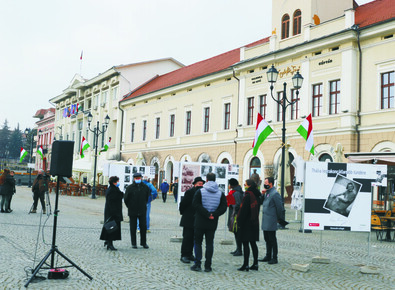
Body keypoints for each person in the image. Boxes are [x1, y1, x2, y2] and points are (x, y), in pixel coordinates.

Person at [191, 172, 227, 272]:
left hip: (200, 221)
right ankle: (208, 265)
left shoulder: (200, 191)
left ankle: (197, 264)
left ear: (206, 180)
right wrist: (214, 214)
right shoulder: (220, 193)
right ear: (215, 180)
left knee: (198, 242)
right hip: (212, 222)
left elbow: (195, 204)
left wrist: (206, 213)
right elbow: (224, 207)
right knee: (209, 243)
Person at [236, 179, 261, 271]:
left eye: (245, 184)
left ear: (249, 185)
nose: (244, 186)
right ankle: (255, 263)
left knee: (245, 243)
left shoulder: (248, 195)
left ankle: (246, 264)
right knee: (253, 244)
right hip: (254, 222)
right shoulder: (257, 195)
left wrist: (239, 221)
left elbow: (244, 211)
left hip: (247, 222)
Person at [179, 176, 205, 264]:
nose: (200, 185)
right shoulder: (189, 192)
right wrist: (183, 213)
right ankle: (184, 255)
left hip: (197, 219)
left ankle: (190, 254)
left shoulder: (202, 192)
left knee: (194, 237)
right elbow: (183, 204)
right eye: (199, 184)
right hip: (188, 218)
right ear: (194, 184)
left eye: (202, 184)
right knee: (187, 237)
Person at [259, 177, 283, 265]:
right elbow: (261, 202)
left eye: (266, 183)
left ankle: (274, 257)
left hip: (271, 220)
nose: (265, 185)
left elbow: (279, 208)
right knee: (267, 239)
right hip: (266, 219)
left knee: (272, 239)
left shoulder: (275, 193)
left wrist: (278, 218)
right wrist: (262, 194)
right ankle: (268, 255)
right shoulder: (267, 193)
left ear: (271, 184)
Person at [124, 172, 151, 249]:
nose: (138, 179)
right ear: (134, 179)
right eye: (136, 178)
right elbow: (126, 199)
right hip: (132, 210)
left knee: (143, 227)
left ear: (141, 178)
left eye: (139, 178)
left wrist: (143, 204)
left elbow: (147, 197)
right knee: (133, 227)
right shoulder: (130, 188)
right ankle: (134, 243)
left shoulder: (145, 187)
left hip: (142, 210)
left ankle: (143, 242)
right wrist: (130, 206)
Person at [100, 176, 123, 251]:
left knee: (111, 227)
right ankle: (110, 243)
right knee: (112, 228)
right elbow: (112, 201)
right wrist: (114, 213)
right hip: (112, 212)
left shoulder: (113, 189)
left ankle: (108, 241)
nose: (118, 183)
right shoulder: (112, 190)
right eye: (117, 181)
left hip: (112, 212)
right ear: (114, 182)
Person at [227, 178, 243, 256]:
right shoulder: (234, 192)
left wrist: (230, 205)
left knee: (238, 233)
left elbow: (237, 204)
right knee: (236, 233)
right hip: (233, 214)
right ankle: (238, 248)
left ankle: (239, 249)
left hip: (236, 215)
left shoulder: (236, 193)